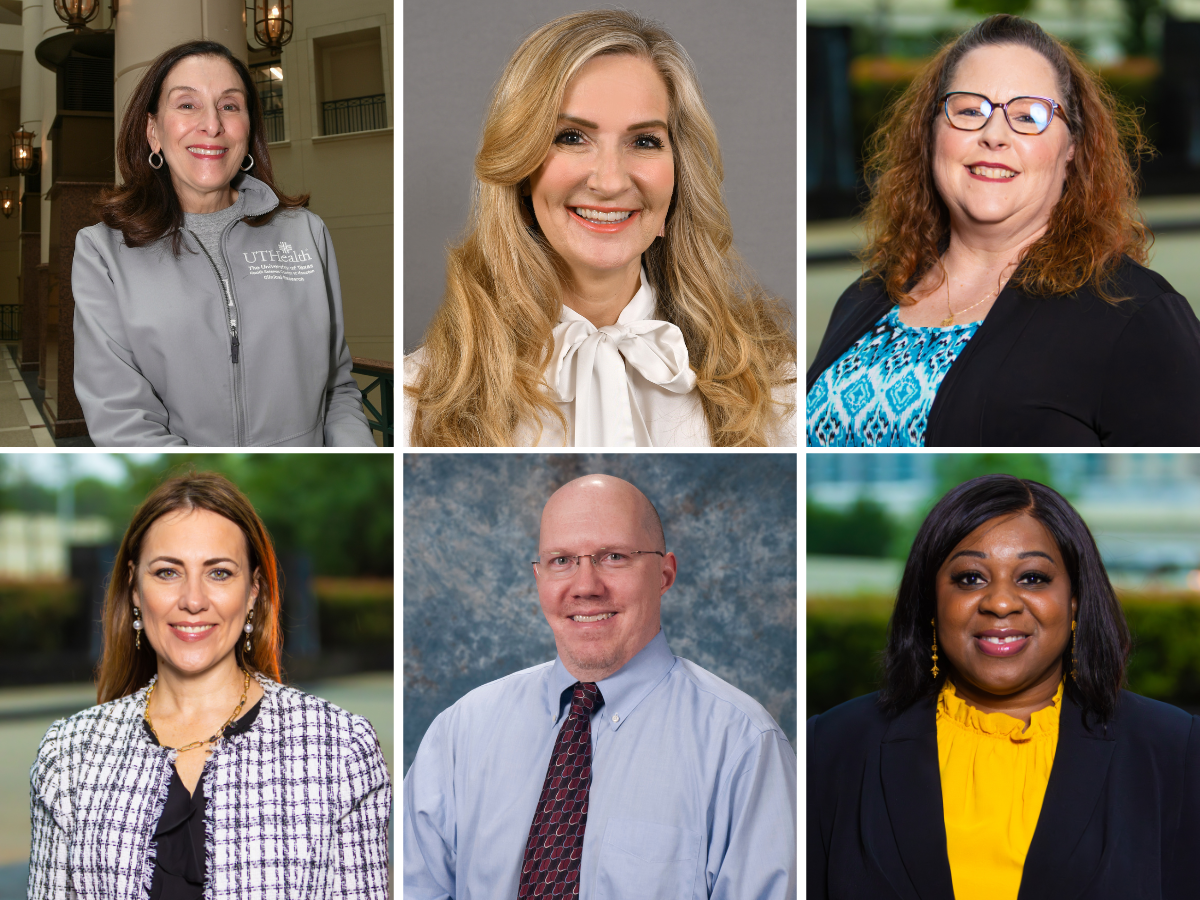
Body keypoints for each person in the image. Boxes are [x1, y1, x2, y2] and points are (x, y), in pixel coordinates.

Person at [403, 10, 796, 448]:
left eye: (644, 141)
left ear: (678, 175)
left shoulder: (779, 387)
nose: (609, 182)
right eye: (571, 137)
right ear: (521, 170)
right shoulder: (415, 399)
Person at [806, 15, 1200, 446]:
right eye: (970, 110)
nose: (994, 135)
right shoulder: (866, 297)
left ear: (1071, 147)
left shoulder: (1138, 315)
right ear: (931, 132)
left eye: (1029, 115)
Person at [808, 474, 1200, 899]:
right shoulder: (831, 747)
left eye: (1032, 577)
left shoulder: (1175, 752)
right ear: (931, 601)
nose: (1000, 602)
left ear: (1075, 600)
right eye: (970, 578)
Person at [404, 474, 796, 898]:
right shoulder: (461, 732)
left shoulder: (742, 745)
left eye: (613, 556)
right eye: (562, 561)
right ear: (539, 577)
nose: (586, 586)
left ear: (665, 574)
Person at [28, 472, 390, 898]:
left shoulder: (339, 749)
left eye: (219, 573)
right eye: (167, 572)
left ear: (254, 590)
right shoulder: (69, 757)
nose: (194, 599)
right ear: (135, 587)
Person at [72, 40, 375, 447]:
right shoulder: (102, 253)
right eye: (186, 105)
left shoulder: (306, 232)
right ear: (153, 131)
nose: (211, 124)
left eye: (229, 106)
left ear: (248, 129)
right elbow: (122, 420)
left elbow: (337, 387)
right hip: (200, 494)